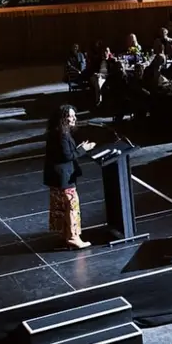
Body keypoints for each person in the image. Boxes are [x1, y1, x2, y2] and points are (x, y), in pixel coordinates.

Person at [43, 104, 95, 250]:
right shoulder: (63, 135)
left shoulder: (56, 132)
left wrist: (77, 149)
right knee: (72, 206)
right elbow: (67, 156)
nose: (74, 118)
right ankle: (73, 237)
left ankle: (65, 234)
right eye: (70, 116)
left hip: (55, 177)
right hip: (63, 177)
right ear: (63, 119)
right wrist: (84, 150)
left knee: (61, 206)